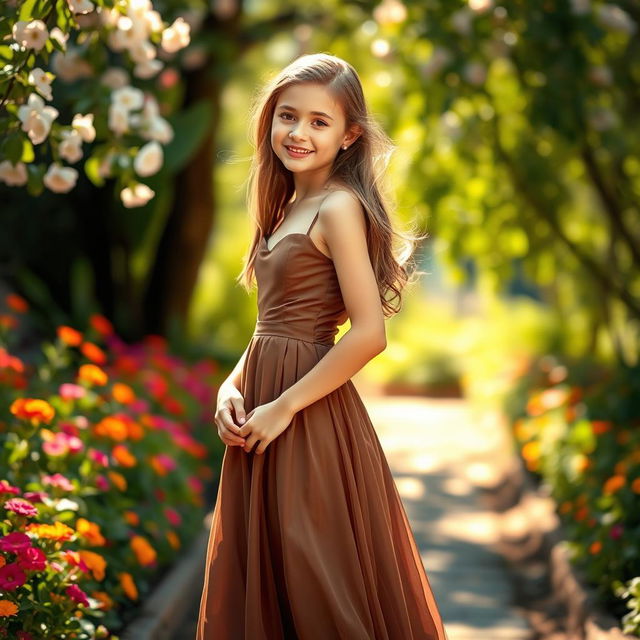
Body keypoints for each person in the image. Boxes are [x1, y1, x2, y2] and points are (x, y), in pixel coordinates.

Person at [196, 52, 449, 640]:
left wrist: (283, 406)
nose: (298, 132)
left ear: (349, 135)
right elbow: (271, 326)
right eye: (288, 116)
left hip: (305, 417)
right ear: (269, 122)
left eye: (318, 121)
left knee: (316, 579)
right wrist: (231, 384)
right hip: (263, 407)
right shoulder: (283, 206)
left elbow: (368, 334)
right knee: (270, 577)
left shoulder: (337, 207)